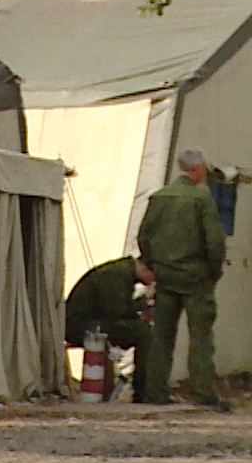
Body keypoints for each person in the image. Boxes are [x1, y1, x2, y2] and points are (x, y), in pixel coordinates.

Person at [137, 148, 231, 410]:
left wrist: (155, 264)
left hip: (166, 277)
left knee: (162, 336)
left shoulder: (159, 198)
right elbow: (215, 243)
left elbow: (144, 236)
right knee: (200, 336)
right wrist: (213, 272)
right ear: (198, 169)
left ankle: (155, 391)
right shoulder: (201, 200)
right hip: (196, 278)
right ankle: (203, 392)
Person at [64, 256, 157, 401]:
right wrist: (143, 303)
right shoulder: (117, 274)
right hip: (81, 325)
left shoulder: (121, 272)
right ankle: (143, 391)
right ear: (145, 269)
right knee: (144, 333)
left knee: (142, 330)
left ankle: (143, 389)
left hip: (88, 322)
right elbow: (117, 311)